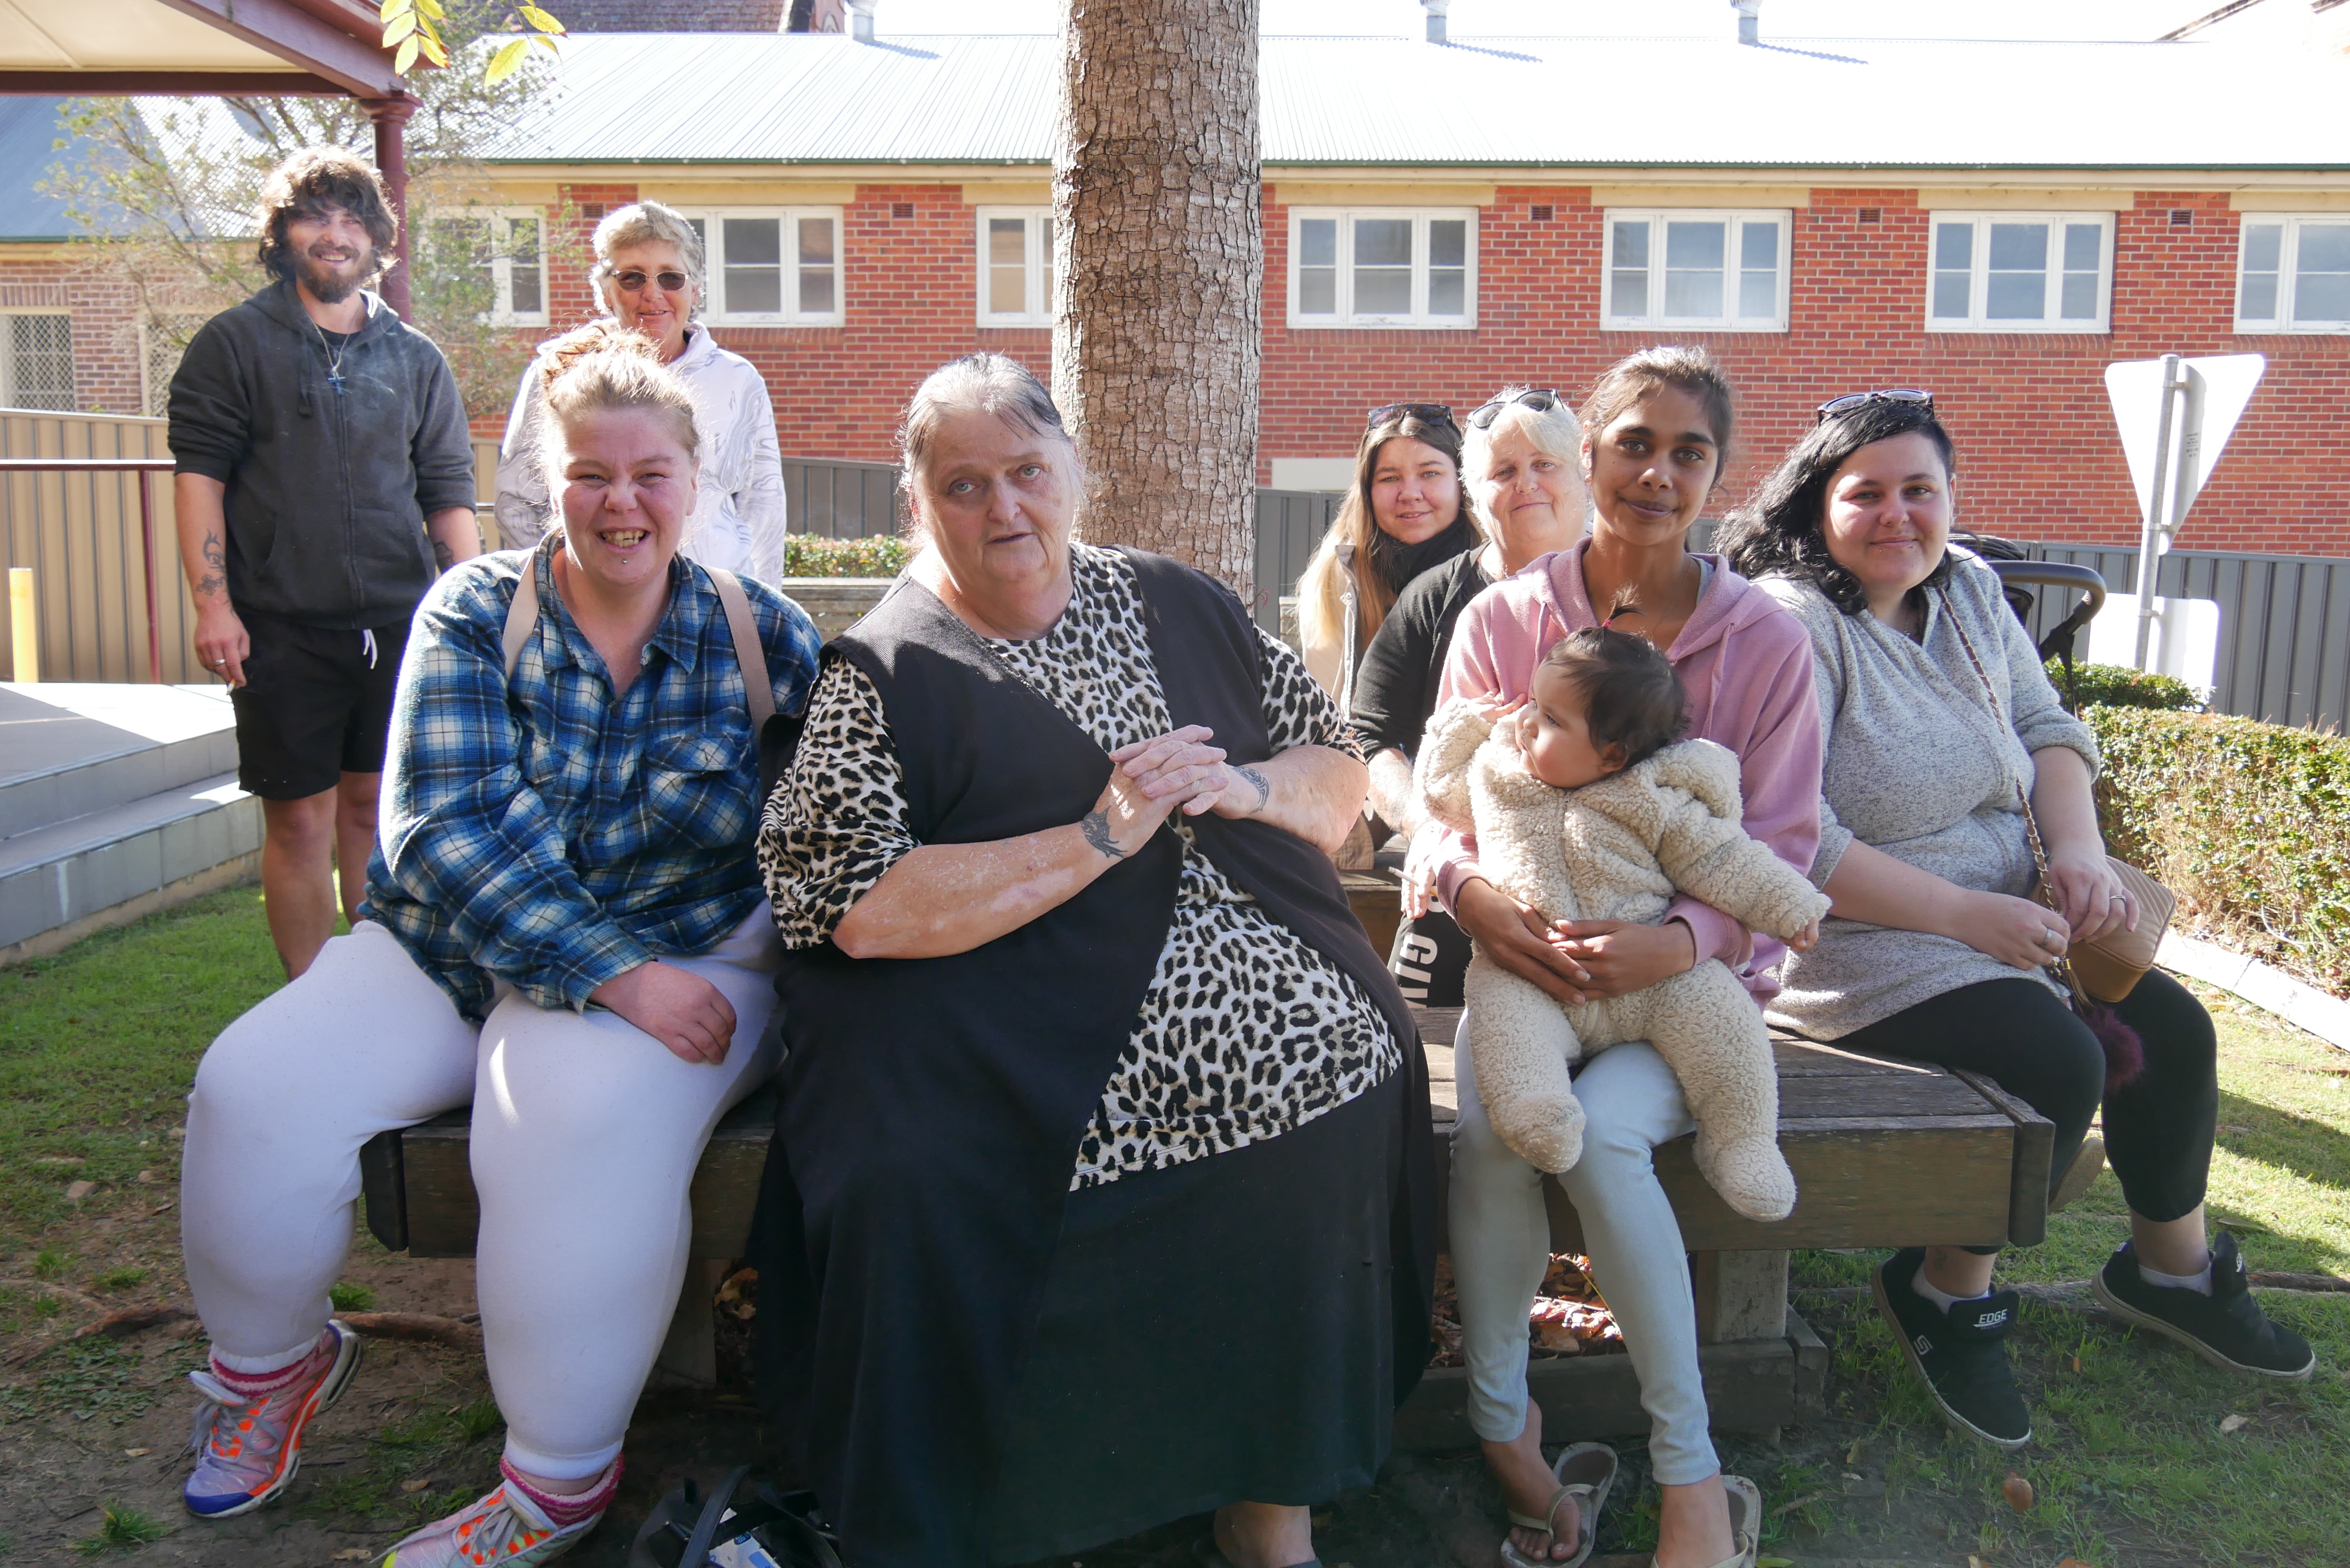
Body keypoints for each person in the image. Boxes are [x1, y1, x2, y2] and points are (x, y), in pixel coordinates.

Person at [752, 353, 1437, 1568]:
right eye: (964, 484)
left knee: (1342, 1056)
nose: (1004, 506)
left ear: (1073, 470)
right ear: (918, 502)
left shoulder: (1181, 601)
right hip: (1029, 1016)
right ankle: (1047, 1507)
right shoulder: (888, 668)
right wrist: (1095, 836)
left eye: (1027, 470)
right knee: (957, 1166)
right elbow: (850, 903)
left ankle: (1271, 1503)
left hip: (1280, 978)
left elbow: (1335, 774)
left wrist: (1239, 785)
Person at [173, 323, 822, 1566]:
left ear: (694, 480)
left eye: (650, 474)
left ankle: (555, 1481)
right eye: (590, 474)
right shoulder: (476, 609)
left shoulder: (764, 635)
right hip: (459, 947)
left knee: (562, 1109)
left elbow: (848, 804)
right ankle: (269, 1370)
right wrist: (605, 969)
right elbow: (442, 828)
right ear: (545, 479)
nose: (621, 503)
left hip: (685, 947)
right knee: (253, 1086)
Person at [1722, 390, 2315, 1451]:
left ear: (1950, 498)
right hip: (1856, 941)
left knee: (2175, 1031)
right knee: (2056, 1058)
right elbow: (1789, 838)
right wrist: (1966, 916)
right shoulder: (1790, 623)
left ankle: (2169, 1272)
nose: (1896, 514)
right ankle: (1942, 1290)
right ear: (1816, 504)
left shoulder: (1967, 589)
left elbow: (2046, 726)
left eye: (1920, 489)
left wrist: (2077, 853)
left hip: (2017, 919)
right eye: (1865, 493)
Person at [1414, 347, 1823, 1568]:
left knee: (1602, 1138)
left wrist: (1682, 938)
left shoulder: (1766, 642)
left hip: (1686, 991)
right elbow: (1442, 797)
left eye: (1688, 452)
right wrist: (1472, 895)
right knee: (1497, 1134)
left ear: (1717, 475)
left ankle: (1689, 1467)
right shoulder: (1502, 620)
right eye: (1634, 442)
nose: (1656, 472)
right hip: (1525, 968)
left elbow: (1780, 842)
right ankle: (1504, 1424)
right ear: (1587, 452)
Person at [168, 146, 481, 979]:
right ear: (283, 234)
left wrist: (473, 610)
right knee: (300, 821)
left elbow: (448, 493)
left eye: (352, 219)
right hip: (279, 627)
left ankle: (374, 990)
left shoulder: (415, 357)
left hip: (399, 624)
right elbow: (200, 479)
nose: (334, 235)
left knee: (374, 814)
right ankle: (308, 998)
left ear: (377, 238)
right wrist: (213, 605)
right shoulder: (233, 344)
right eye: (314, 217)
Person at [1415, 626, 1826, 1221]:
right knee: (1506, 1025)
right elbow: (1438, 795)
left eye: (1550, 719)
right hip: (1536, 972)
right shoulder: (1497, 773)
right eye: (1532, 702)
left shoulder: (1652, 798)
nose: (1525, 722)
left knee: (1725, 1023)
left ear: (1611, 755)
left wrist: (1790, 906)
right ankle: (1537, 1114)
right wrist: (1460, 727)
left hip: (1653, 977)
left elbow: (1723, 859)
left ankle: (1741, 1141)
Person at [1355, 386, 1589, 1005]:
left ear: (1583, 473)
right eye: (1503, 471)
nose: (1525, 484)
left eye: (1545, 464)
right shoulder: (1436, 597)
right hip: (1458, 871)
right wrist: (1427, 829)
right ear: (1474, 490)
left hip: (1604, 872)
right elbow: (1371, 734)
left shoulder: (1634, 590)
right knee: (1419, 1034)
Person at [495, 199, 788, 585]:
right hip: (593, 601)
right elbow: (517, 500)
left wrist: (760, 605)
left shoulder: (738, 379)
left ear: (695, 289)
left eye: (671, 277)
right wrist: (564, 590)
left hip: (716, 601)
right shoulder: (559, 372)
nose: (652, 293)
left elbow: (764, 506)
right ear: (606, 291)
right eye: (632, 278)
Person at [1294, 402, 1481, 705]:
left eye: (1430, 473)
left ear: (1463, 483)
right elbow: (1328, 711)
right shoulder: (1338, 577)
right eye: (1390, 478)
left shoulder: (1500, 565)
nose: (1410, 494)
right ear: (1367, 492)